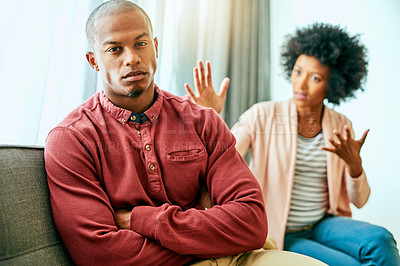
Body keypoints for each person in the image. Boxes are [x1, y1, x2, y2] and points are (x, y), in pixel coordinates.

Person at [44, 1, 326, 265]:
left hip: (240, 258)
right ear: (93, 61)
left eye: (141, 44)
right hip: (222, 250)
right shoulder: (71, 139)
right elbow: (100, 255)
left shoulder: (203, 121)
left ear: (155, 47)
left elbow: (251, 223)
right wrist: (214, 238)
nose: (131, 58)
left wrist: (144, 219)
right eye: (114, 49)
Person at [186, 23, 400, 265]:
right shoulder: (262, 115)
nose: (301, 84)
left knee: (381, 239)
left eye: (315, 77)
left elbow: (359, 200)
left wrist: (354, 166)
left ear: (333, 84)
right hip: (280, 227)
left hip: (323, 223)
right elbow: (222, 161)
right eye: (298, 72)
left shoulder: (340, 124)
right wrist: (209, 117)